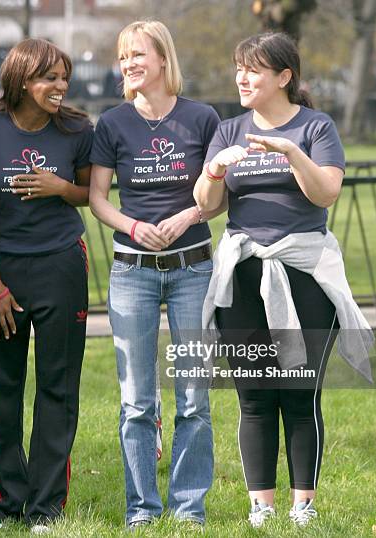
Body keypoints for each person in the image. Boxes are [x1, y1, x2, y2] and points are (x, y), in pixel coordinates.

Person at [194, 32, 373, 528]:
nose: (241, 78)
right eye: (238, 68)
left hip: (303, 274)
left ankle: (302, 507)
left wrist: (290, 153)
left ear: (283, 77)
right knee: (253, 394)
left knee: (298, 392)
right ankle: (261, 506)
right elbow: (207, 205)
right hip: (243, 275)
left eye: (252, 69)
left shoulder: (316, 127)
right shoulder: (229, 129)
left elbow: (326, 194)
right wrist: (213, 169)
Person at [89, 20, 222, 529]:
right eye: (123, 57)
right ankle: (141, 510)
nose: (128, 64)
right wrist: (134, 226)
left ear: (163, 58)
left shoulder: (202, 118)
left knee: (193, 396)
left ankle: (189, 510)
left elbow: (218, 194)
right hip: (133, 272)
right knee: (136, 401)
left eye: (137, 54)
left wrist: (188, 216)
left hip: (193, 270)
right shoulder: (113, 124)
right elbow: (99, 198)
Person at [0, 38, 93, 534]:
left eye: (64, 77)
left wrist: (61, 189)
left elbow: (93, 193)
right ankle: (8, 504)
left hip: (62, 265)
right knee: (6, 390)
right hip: (3, 272)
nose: (60, 86)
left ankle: (46, 508)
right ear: (22, 79)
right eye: (50, 78)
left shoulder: (78, 129)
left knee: (58, 388)